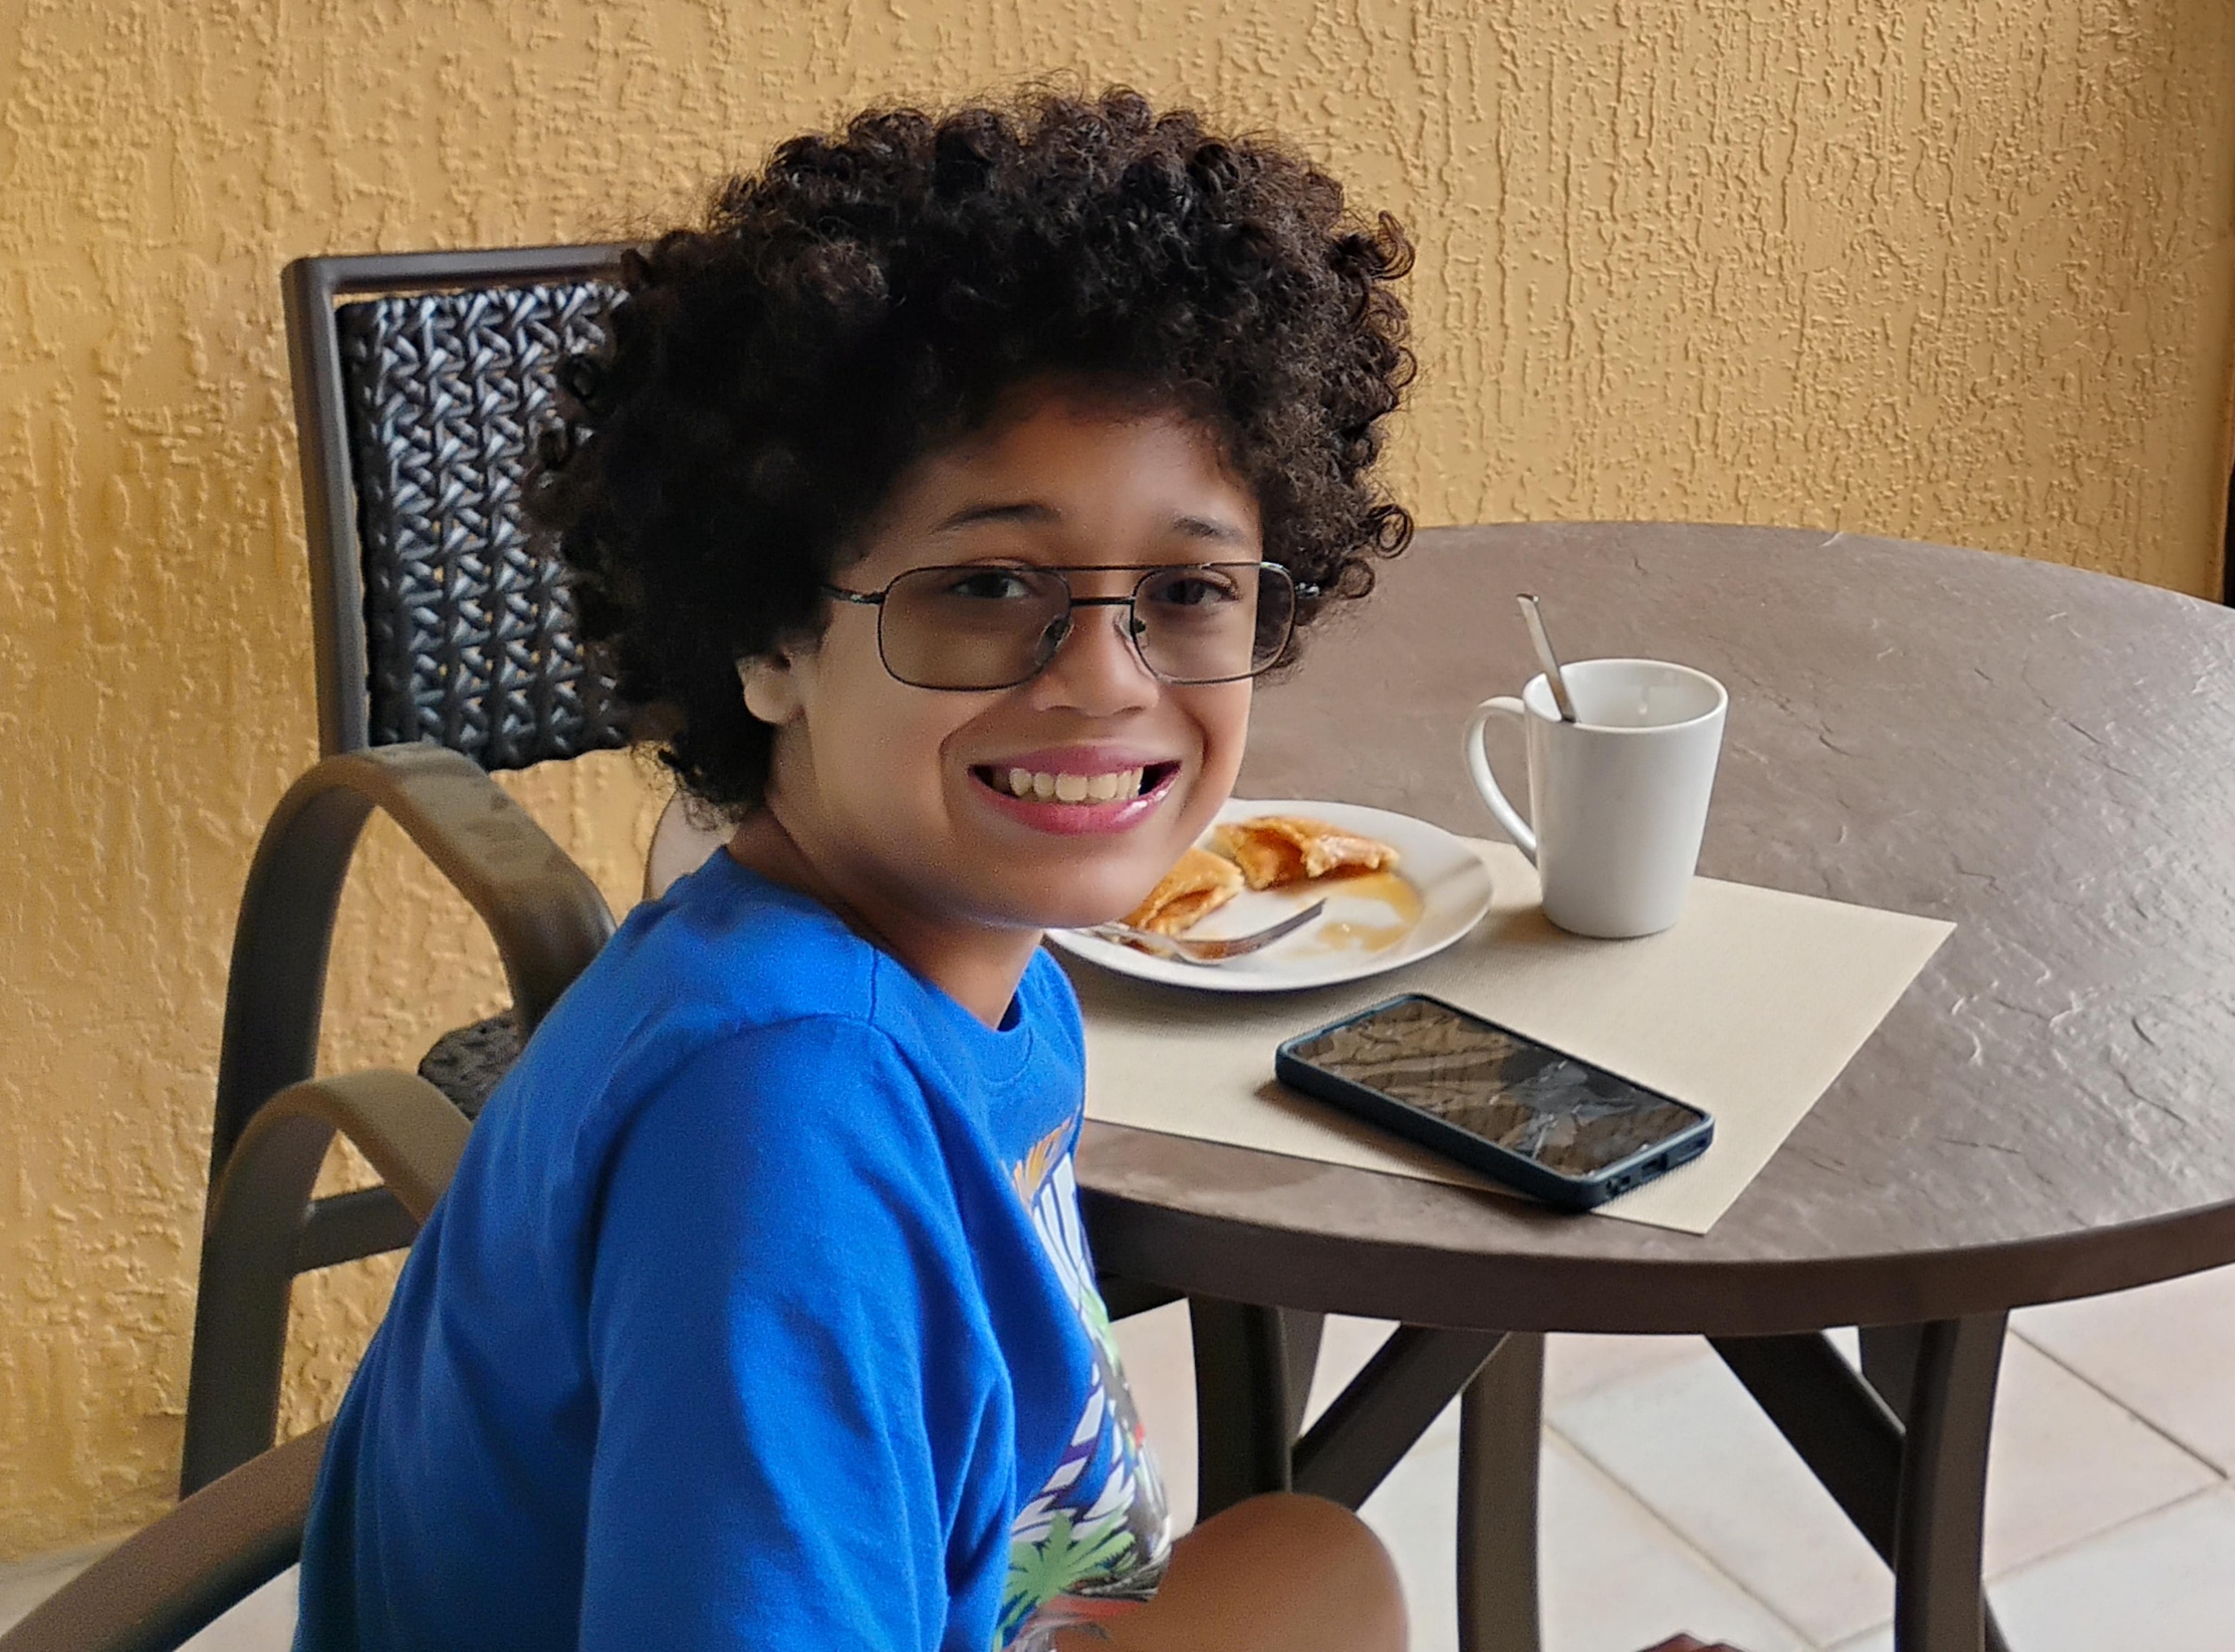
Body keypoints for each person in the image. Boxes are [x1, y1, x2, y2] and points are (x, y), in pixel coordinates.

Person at [297, 93, 1418, 1652]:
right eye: (987, 582)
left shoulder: (949, 951)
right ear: (769, 638)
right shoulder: (781, 1127)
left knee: (1317, 1557)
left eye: (1188, 587)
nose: (1108, 676)